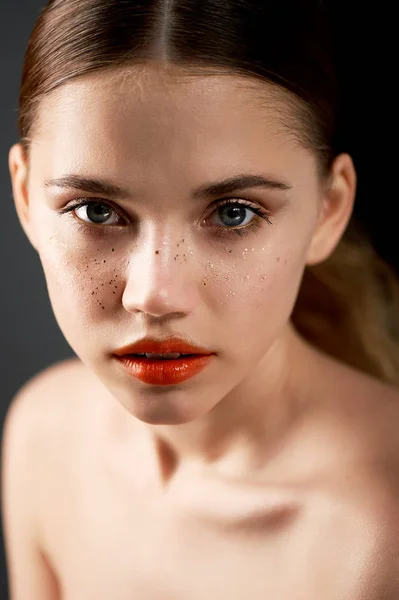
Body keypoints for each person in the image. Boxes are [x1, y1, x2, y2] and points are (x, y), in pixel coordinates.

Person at [2, 0, 399, 598]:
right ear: (26, 196)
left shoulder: (377, 537)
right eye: (97, 210)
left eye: (234, 213)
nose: (155, 296)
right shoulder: (44, 438)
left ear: (328, 209)